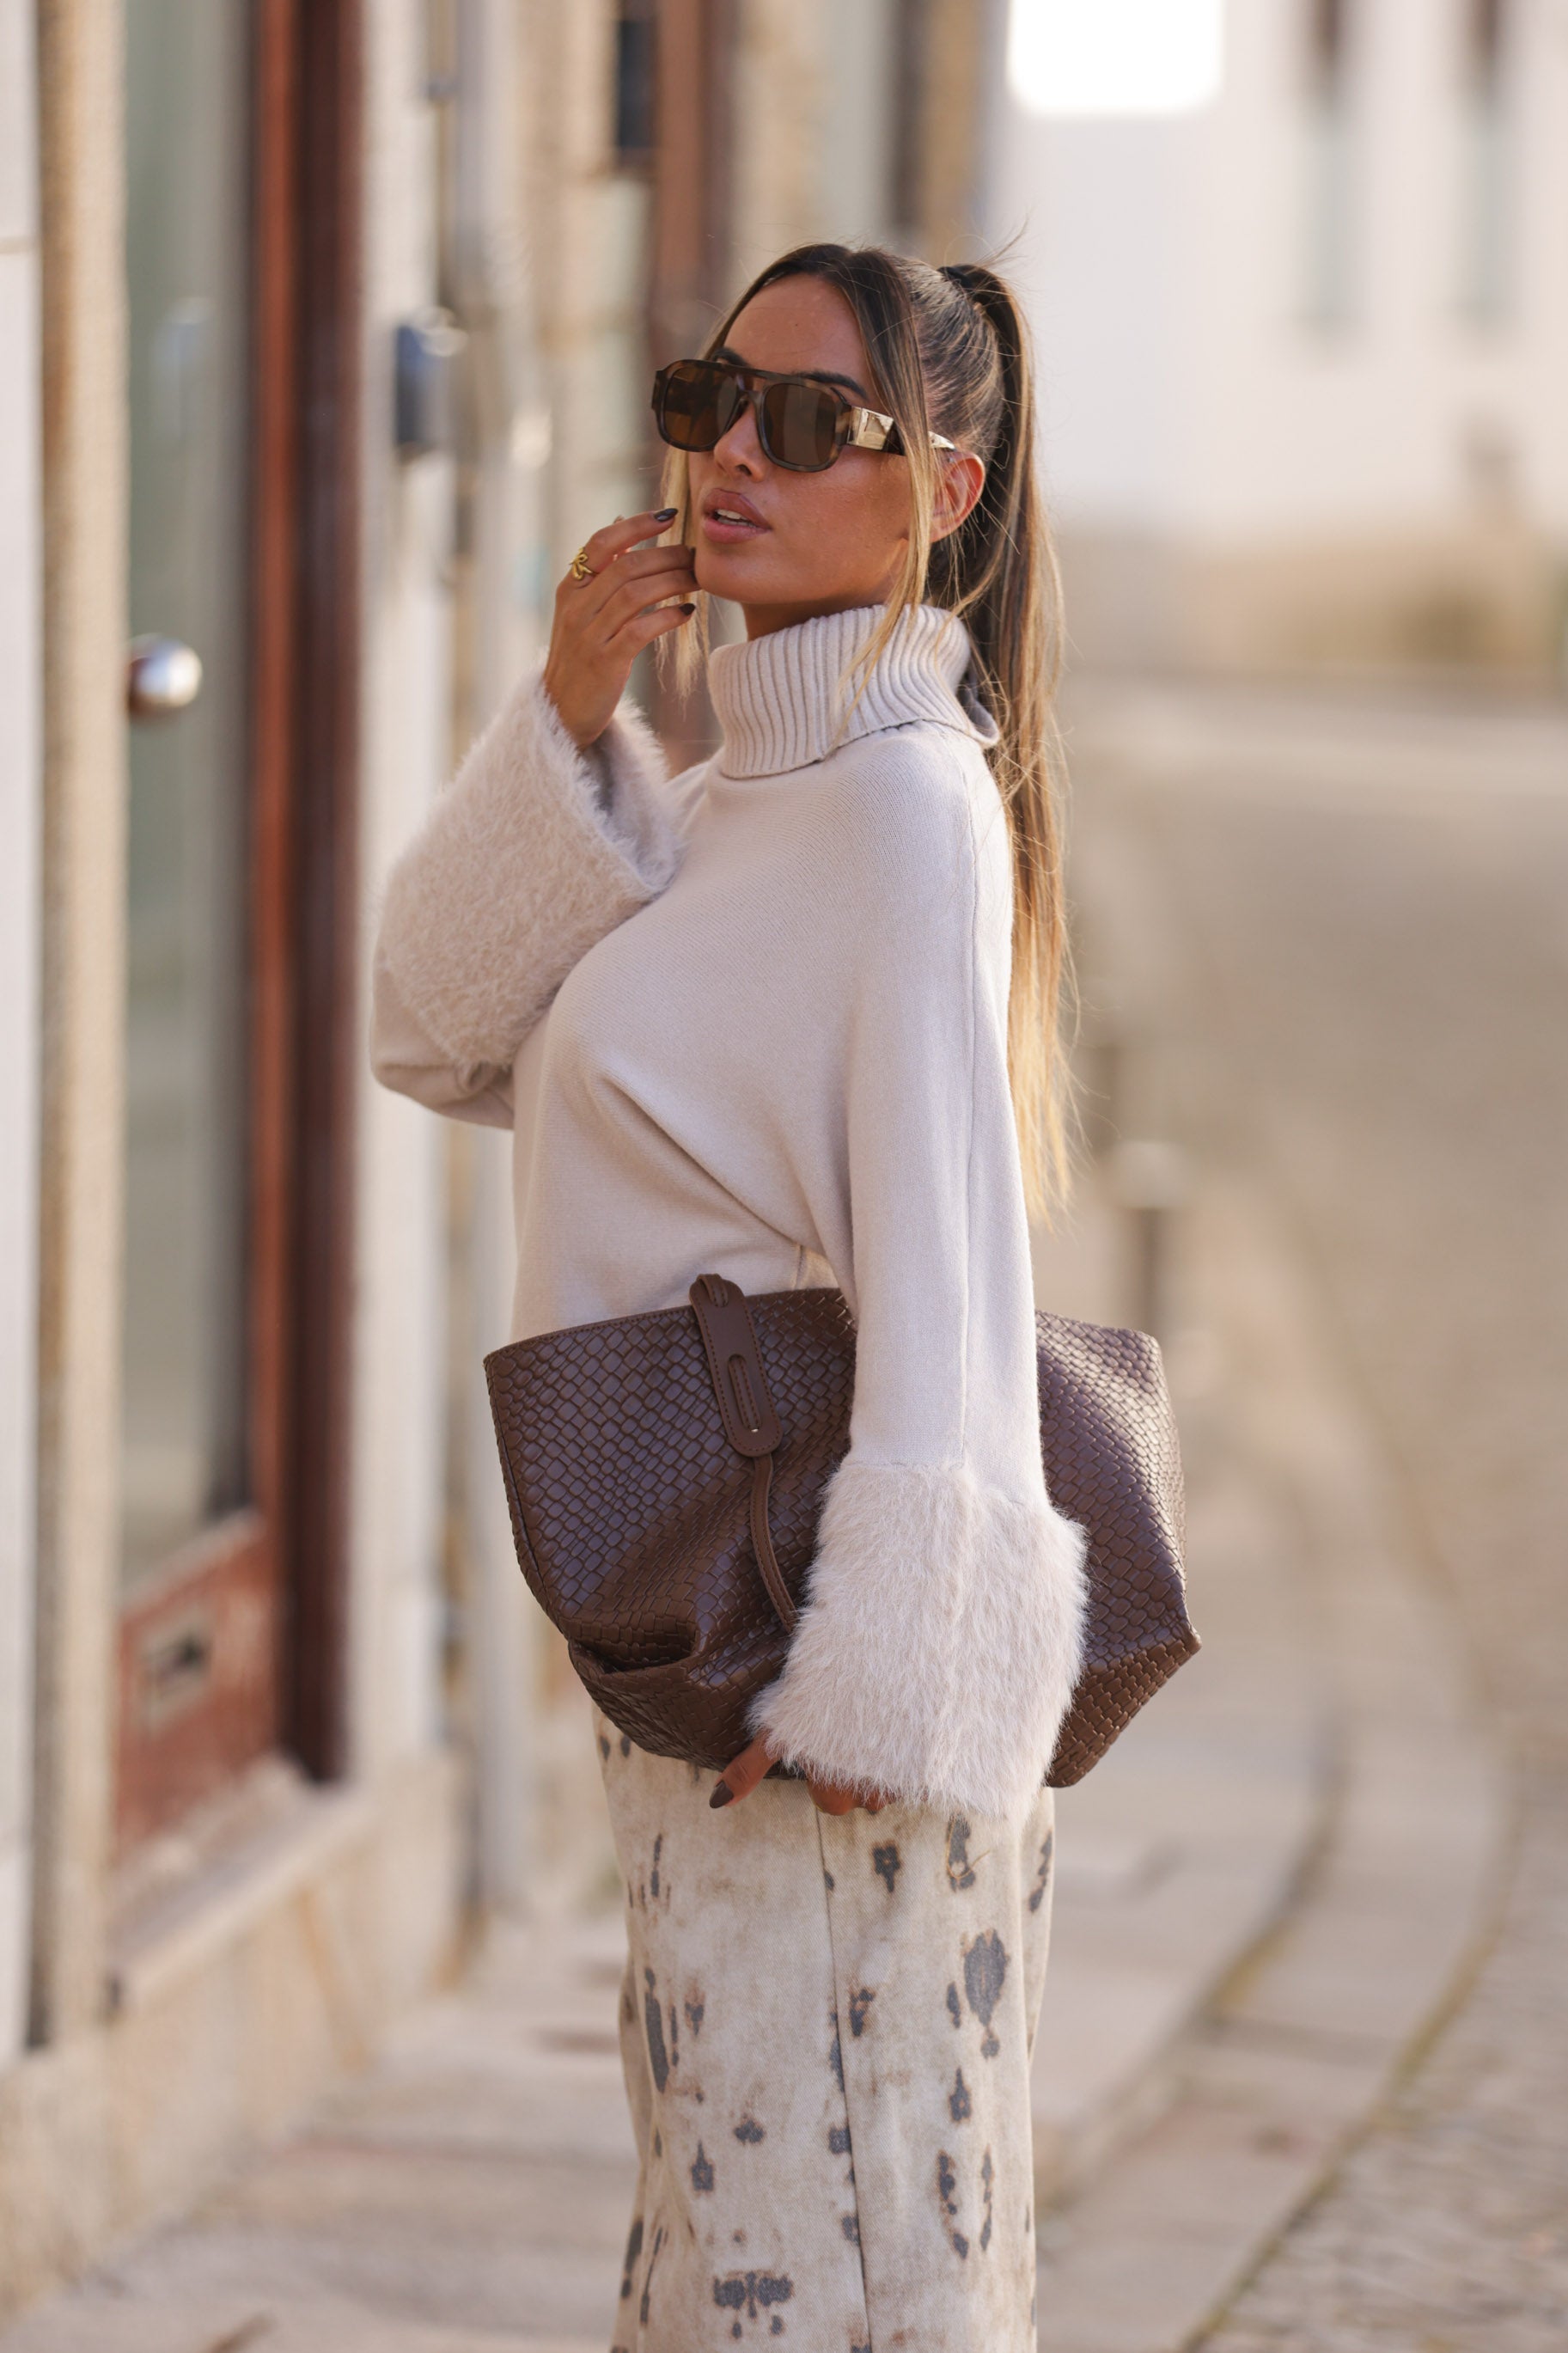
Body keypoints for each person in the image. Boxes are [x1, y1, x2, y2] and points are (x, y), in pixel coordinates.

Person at [372, 241, 1087, 2353]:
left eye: (806, 422)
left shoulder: (903, 807)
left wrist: (886, 1691)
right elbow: (429, 1030)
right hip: (697, 1646)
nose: (732, 462)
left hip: (807, 1689)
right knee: (727, 2245)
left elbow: (950, 1244)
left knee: (829, 2268)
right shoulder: (718, 796)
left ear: (940, 490)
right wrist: (566, 712)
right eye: (708, 402)